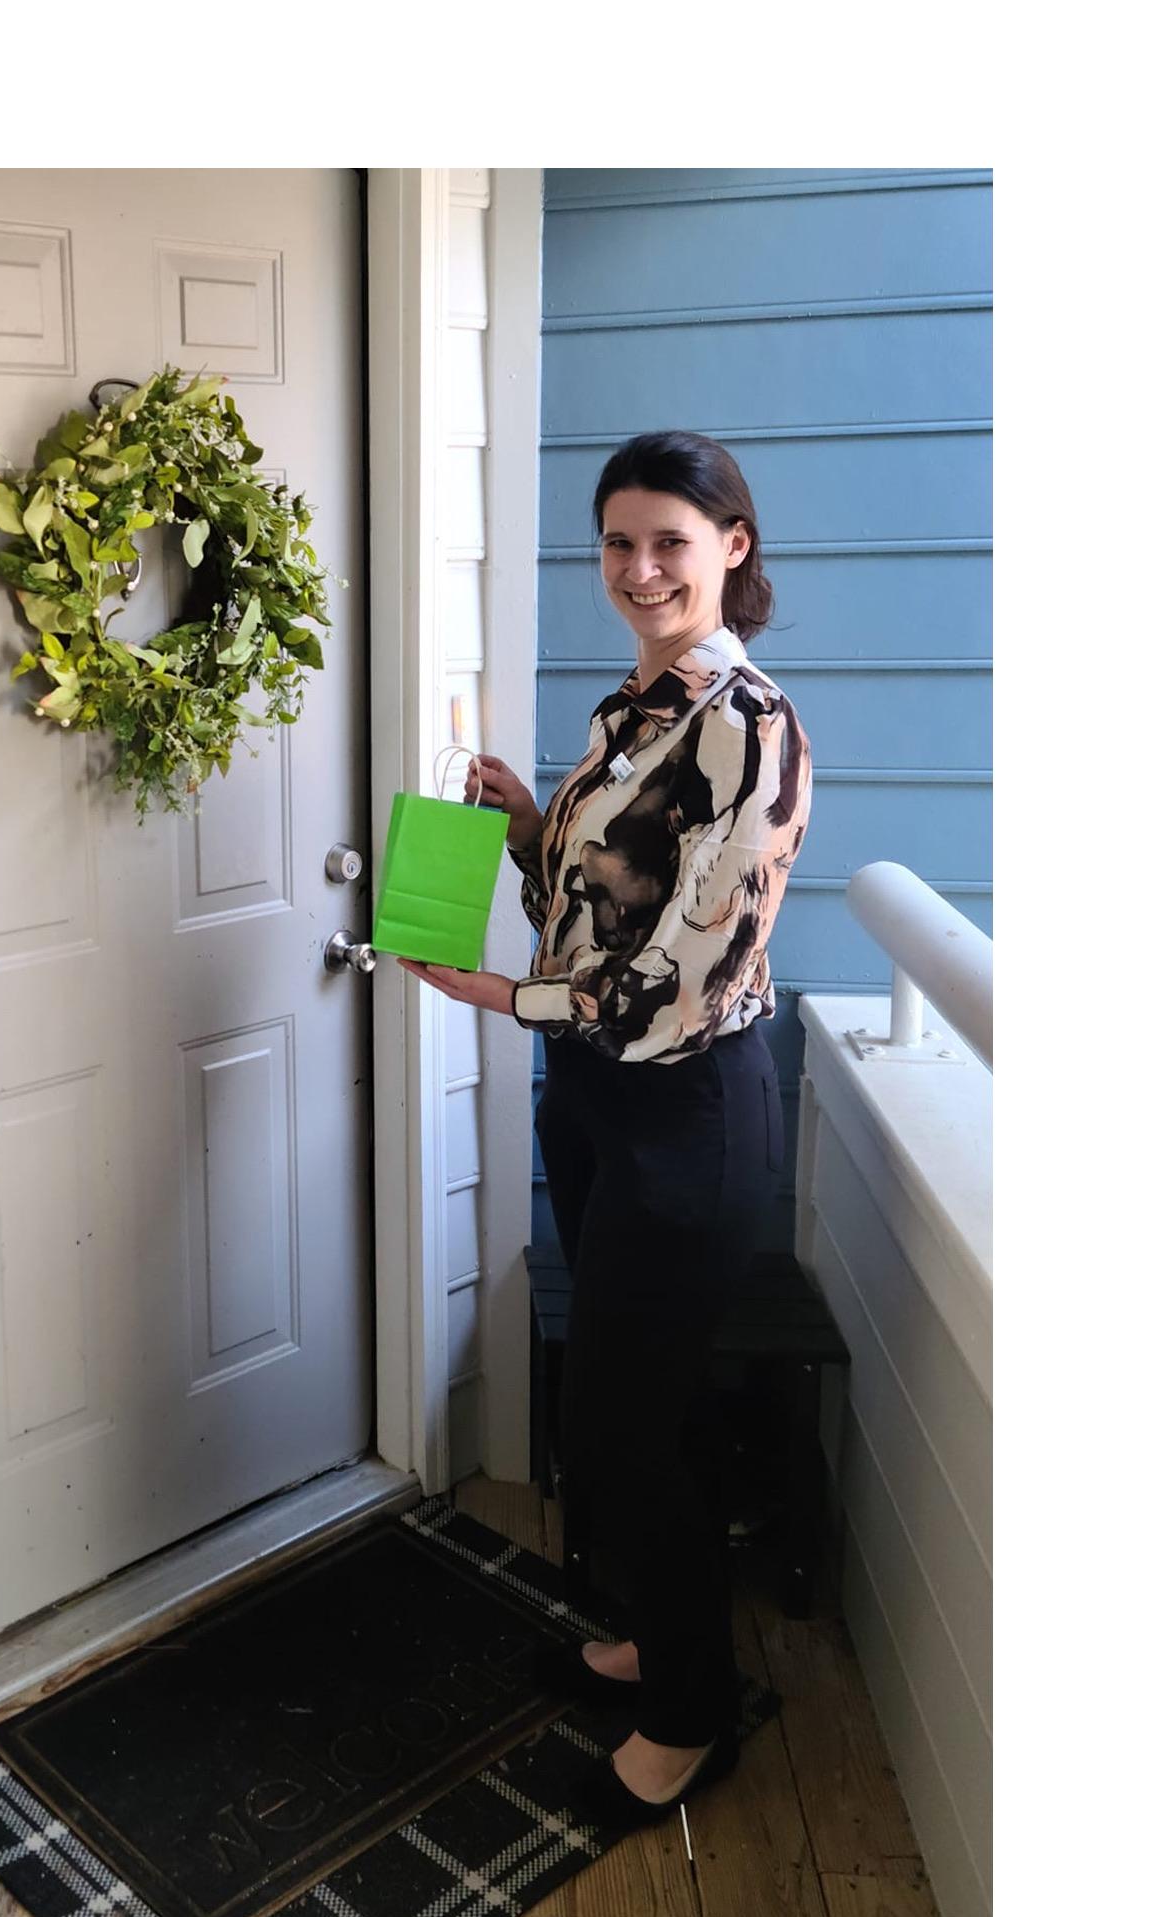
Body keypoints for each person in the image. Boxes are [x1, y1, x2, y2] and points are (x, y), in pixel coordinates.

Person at [401, 430, 811, 1837]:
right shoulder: (634, 710)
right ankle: (660, 1640)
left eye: (671, 543)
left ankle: (691, 1718)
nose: (641, 570)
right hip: (595, 1096)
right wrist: (530, 828)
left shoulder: (748, 723)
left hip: (688, 1110)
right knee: (649, 1403)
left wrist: (499, 995)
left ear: (731, 548)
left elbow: (687, 971)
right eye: (620, 542)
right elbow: (604, 909)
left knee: (619, 1424)